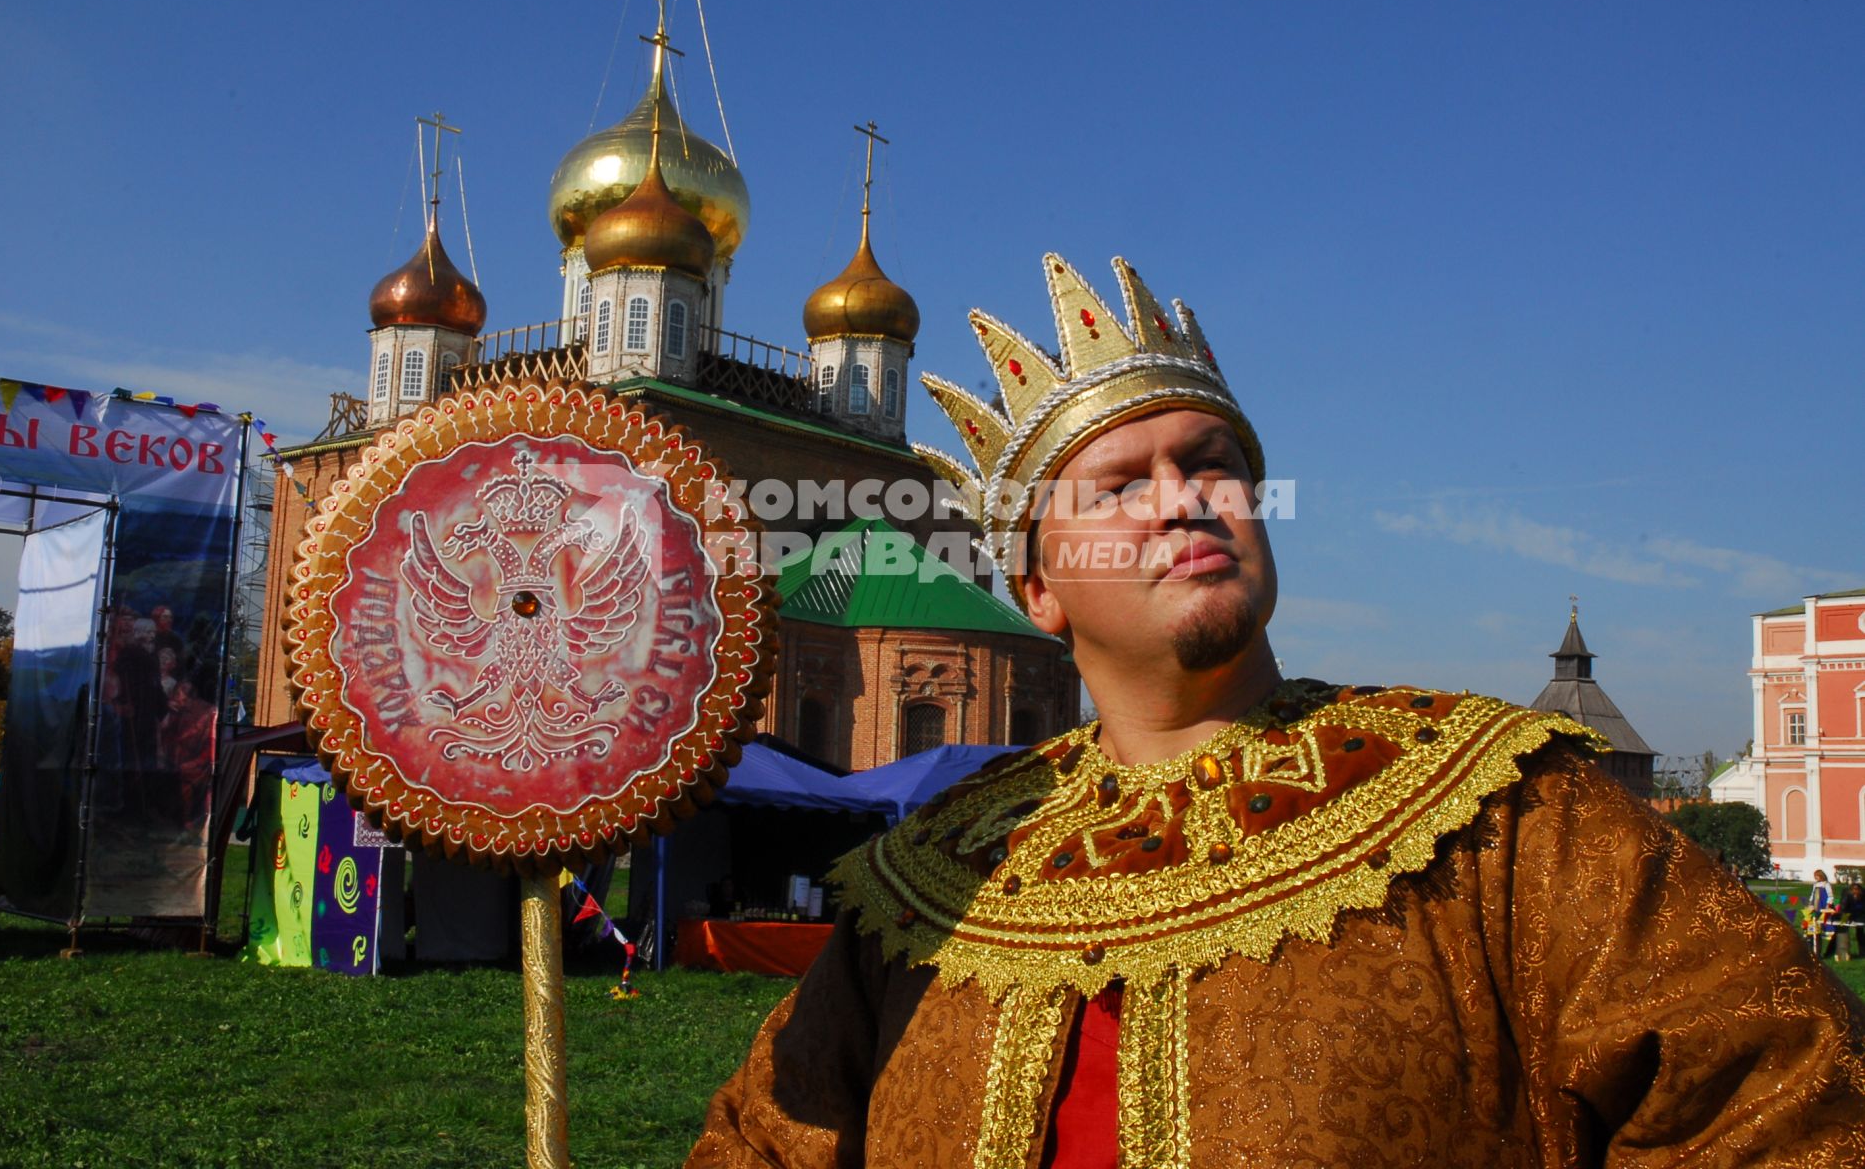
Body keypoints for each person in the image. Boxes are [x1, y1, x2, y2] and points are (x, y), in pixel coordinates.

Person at [687, 254, 1865, 1167]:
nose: (1184, 500)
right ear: (1036, 586)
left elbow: (1782, 1095)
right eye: (1120, 484)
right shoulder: (925, 884)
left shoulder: (1496, 810)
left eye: (1211, 465)